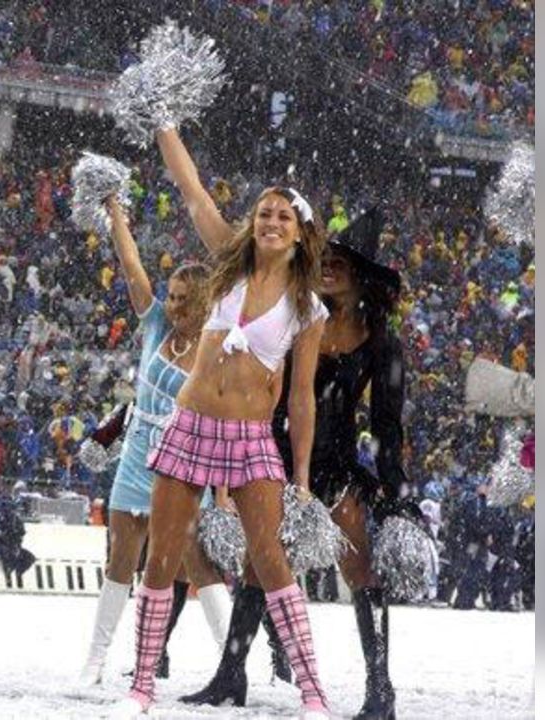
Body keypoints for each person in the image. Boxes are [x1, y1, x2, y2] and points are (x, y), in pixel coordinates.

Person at [113, 127, 330, 718]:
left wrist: (302, 477)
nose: (271, 222)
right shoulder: (227, 269)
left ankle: (313, 691)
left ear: (300, 231)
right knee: (160, 559)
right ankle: (141, 689)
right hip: (189, 424)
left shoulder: (309, 307)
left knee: (270, 560)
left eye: (284, 216)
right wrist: (164, 126)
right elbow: (190, 191)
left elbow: (303, 398)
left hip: (252, 438)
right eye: (264, 213)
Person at [182, 208, 414, 720]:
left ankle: (381, 690)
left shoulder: (381, 341)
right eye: (325, 259)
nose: (329, 266)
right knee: (258, 562)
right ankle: (231, 674)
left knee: (359, 568)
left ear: (363, 274)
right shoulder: (297, 313)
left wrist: (398, 494)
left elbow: (388, 425)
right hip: (279, 451)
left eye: (341, 261)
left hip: (337, 465)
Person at [77, 198, 232, 687]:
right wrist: (118, 216)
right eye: (172, 294)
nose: (174, 304)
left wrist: (222, 493)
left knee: (196, 563)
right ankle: (96, 661)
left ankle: (231, 662)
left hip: (186, 458)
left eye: (185, 299)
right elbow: (131, 266)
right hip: (137, 454)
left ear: (206, 303)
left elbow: (224, 420)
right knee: (120, 560)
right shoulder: (155, 327)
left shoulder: (217, 346)